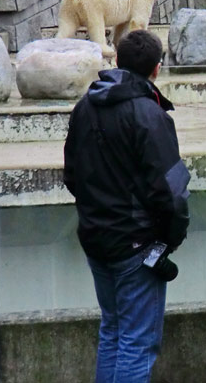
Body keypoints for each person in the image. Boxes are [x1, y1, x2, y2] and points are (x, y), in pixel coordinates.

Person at [63, 29, 190, 383]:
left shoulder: (84, 108)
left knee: (113, 331)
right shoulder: (149, 115)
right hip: (136, 244)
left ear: (117, 61)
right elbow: (172, 192)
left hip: (96, 238)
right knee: (137, 343)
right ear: (157, 69)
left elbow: (72, 176)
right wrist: (168, 240)